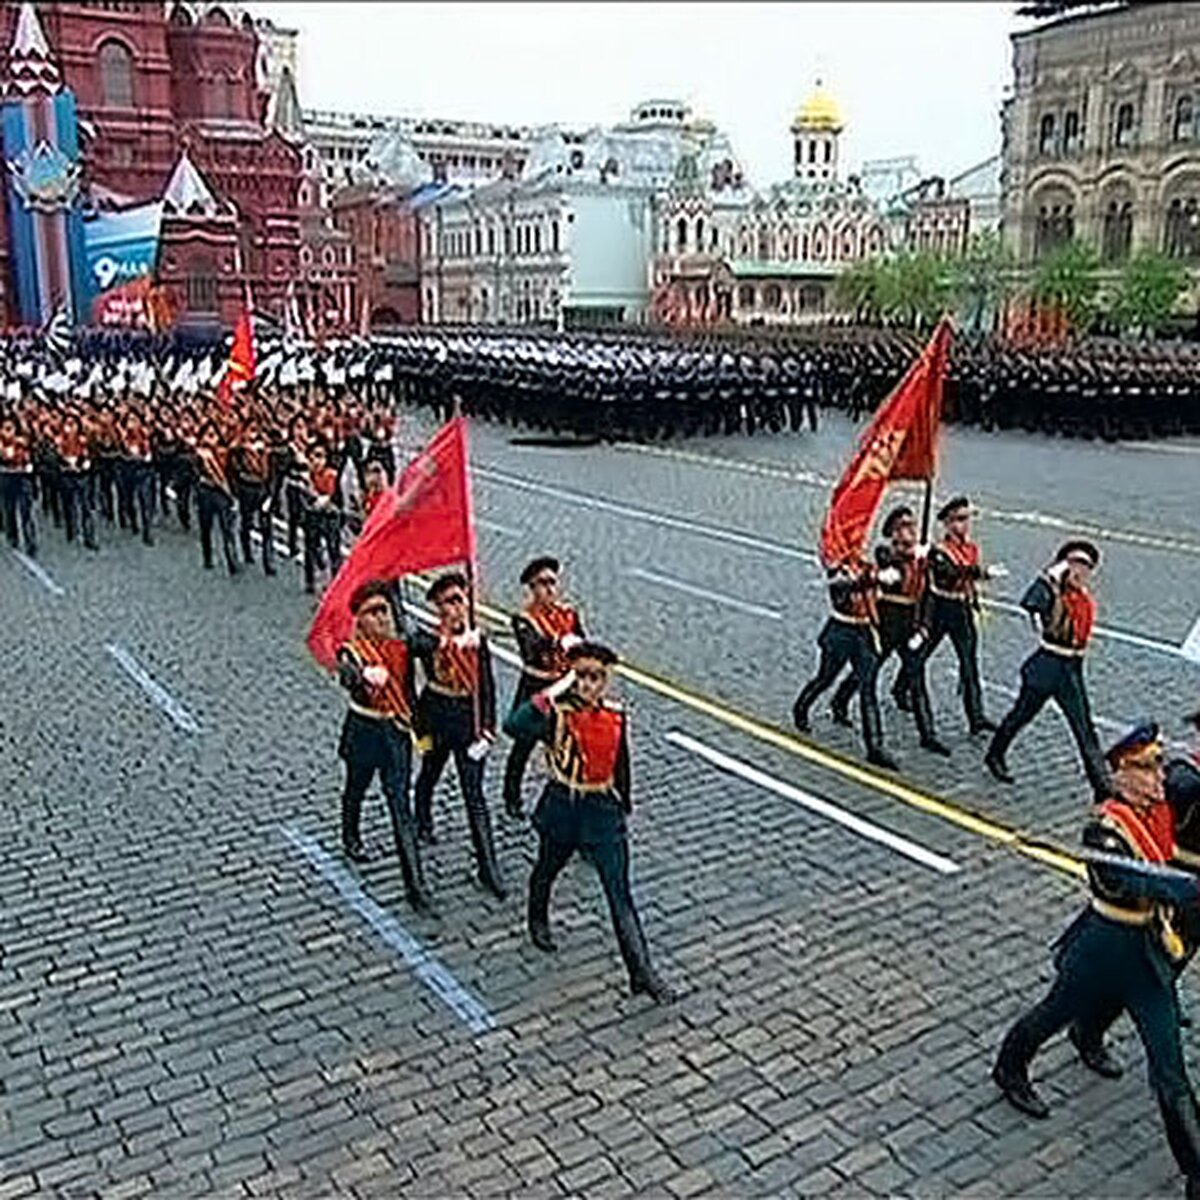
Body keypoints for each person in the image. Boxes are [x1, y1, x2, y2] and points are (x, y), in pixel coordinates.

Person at [992, 722, 1200, 1199]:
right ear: (1121, 774)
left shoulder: (1157, 814)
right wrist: (1189, 888)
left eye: (1158, 766)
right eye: (1147, 768)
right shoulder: (1105, 830)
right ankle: (1010, 1065)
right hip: (1104, 947)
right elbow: (1134, 884)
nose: (1158, 777)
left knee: (1170, 1069)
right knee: (1052, 1013)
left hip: (1146, 955)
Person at [504, 640, 676, 1005]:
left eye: (596, 677)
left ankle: (642, 972)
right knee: (547, 868)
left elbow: (621, 761)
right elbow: (513, 726)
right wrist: (553, 690)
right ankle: (537, 917)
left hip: (602, 811)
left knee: (619, 893)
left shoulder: (615, 714)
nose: (589, 684)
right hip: (565, 804)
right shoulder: (556, 714)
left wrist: (623, 802)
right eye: (581, 676)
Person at [335, 580, 432, 914]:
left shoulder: (400, 645)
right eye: (371, 613)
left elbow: (428, 644)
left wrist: (460, 635)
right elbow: (345, 672)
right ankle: (350, 833)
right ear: (358, 619)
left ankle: (415, 885)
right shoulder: (353, 650)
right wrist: (363, 676)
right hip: (364, 731)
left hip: (396, 733)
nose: (380, 618)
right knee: (356, 788)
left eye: (384, 611)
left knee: (399, 805)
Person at [986, 541, 1110, 800]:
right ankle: (995, 754)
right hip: (1047, 665)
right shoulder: (1052, 592)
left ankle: (1102, 789)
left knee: (1084, 728)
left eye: (1086, 566)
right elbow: (1029, 603)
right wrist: (1047, 577)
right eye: (1075, 564)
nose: (1080, 571)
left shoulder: (1083, 597)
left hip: (1071, 670)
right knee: (1021, 715)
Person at [411, 571, 507, 900]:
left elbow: (488, 687)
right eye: (449, 602)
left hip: (469, 720)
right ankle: (421, 816)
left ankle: (487, 865)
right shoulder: (429, 638)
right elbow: (412, 644)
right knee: (429, 773)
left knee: (474, 793)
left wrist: (488, 731)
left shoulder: (478, 642)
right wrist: (447, 642)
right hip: (437, 718)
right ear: (438, 608)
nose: (457, 607)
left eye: (460, 600)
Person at [830, 505, 950, 757]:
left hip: (910, 624)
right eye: (903, 527)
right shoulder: (886, 553)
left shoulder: (922, 558)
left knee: (917, 677)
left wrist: (925, 629)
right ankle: (841, 699)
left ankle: (927, 734)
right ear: (893, 532)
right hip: (886, 622)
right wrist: (913, 554)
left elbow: (929, 594)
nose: (910, 531)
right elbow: (889, 561)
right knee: (869, 670)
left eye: (912, 526)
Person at [792, 554, 900, 770]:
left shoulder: (867, 566)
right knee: (825, 678)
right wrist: (875, 579)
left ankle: (874, 746)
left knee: (868, 688)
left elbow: (886, 559)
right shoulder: (836, 570)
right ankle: (801, 707)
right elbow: (844, 590)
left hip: (864, 632)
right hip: (841, 631)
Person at [503, 556, 586, 818]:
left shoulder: (568, 614)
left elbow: (581, 642)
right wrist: (559, 641)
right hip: (535, 687)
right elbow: (533, 647)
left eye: (552, 582)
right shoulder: (523, 618)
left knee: (566, 747)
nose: (549, 589)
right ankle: (511, 795)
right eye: (542, 584)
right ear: (531, 587)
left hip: (562, 687)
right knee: (523, 746)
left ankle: (567, 802)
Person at [920, 496, 1005, 734]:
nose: (965, 524)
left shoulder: (971, 548)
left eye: (967, 519)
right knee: (921, 654)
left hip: (962, 609)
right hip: (940, 608)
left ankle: (976, 716)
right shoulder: (938, 550)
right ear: (947, 523)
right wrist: (980, 572)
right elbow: (948, 573)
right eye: (959, 519)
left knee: (969, 664)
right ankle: (902, 686)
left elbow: (967, 577)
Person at [194, 420, 240, 576]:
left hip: (222, 493)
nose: (211, 438)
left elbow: (232, 471)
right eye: (208, 435)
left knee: (227, 528)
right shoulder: (199, 453)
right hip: (206, 492)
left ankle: (232, 560)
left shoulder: (224, 452)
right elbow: (195, 472)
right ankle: (207, 556)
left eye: (214, 435)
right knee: (206, 527)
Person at [0, 413, 37, 556]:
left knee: (26, 511)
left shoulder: (22, 442)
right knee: (9, 509)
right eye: (5, 429)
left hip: (22, 478)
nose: (8, 432)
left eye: (11, 428)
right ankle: (12, 536)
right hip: (5, 478)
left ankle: (30, 542)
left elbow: (29, 458)